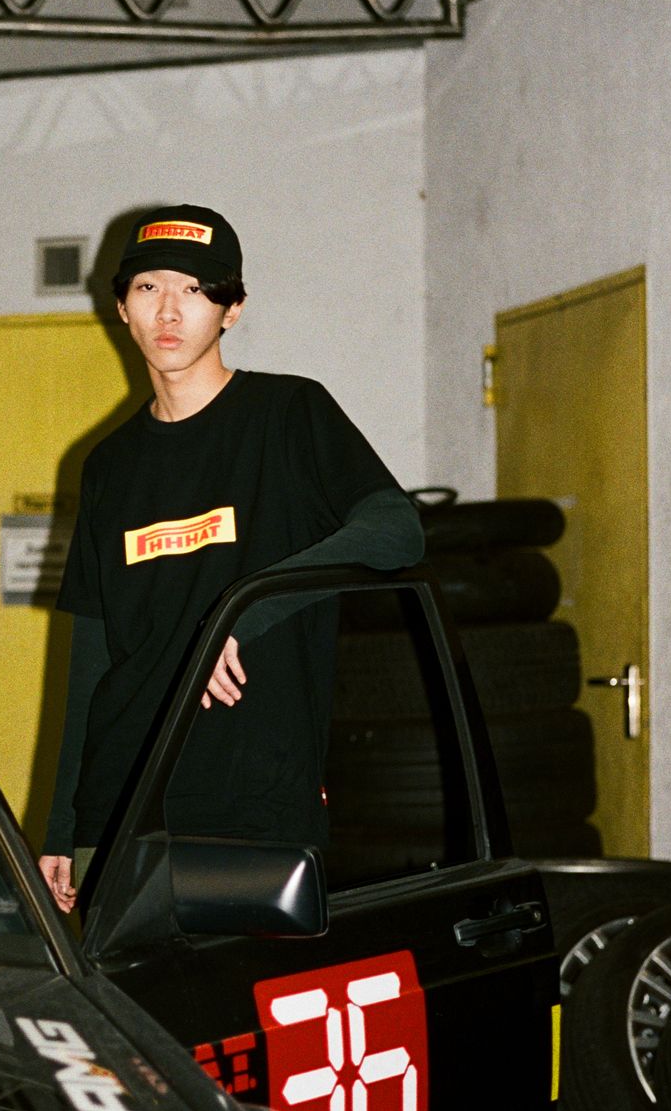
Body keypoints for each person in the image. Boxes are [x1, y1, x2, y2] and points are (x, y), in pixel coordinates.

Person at [39, 204, 424, 914]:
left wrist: (239, 614)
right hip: (120, 808)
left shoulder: (289, 415)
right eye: (149, 288)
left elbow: (397, 530)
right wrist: (64, 825)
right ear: (121, 307)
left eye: (194, 289)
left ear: (232, 309)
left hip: (255, 804)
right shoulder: (107, 466)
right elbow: (90, 658)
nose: (169, 311)